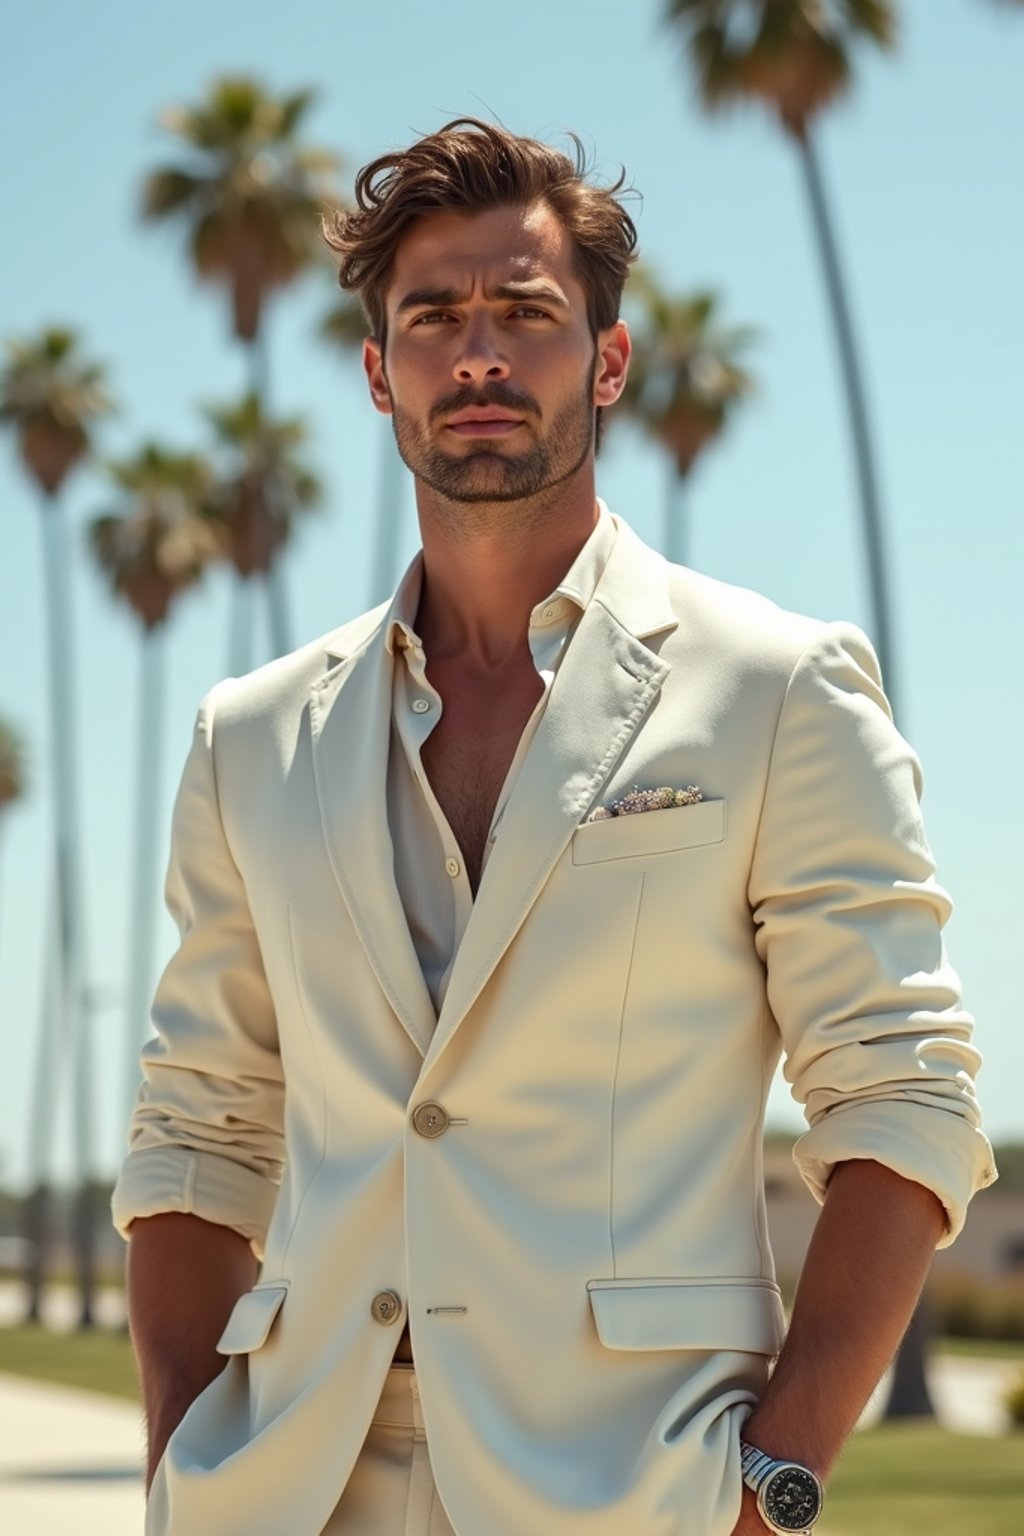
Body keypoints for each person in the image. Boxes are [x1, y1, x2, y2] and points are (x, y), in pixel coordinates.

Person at [113, 119, 995, 1536]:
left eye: (524, 315)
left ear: (609, 362)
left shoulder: (774, 688)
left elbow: (905, 1097)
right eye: (434, 319)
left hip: (633, 1488)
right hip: (289, 1486)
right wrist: (178, 1453)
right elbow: (198, 1131)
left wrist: (775, 1487)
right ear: (377, 372)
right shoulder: (252, 734)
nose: (477, 355)